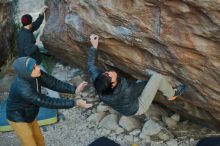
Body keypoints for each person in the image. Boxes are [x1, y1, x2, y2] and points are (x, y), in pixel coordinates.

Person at [87, 34, 185, 116]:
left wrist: (94, 46)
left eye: (106, 73)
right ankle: (172, 94)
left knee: (141, 81)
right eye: (109, 76)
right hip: (137, 107)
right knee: (157, 78)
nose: (109, 72)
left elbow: (91, 64)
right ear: (112, 85)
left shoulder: (99, 81)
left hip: (124, 103)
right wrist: (152, 81)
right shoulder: (125, 90)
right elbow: (143, 85)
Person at [6, 57, 92, 146]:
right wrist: (74, 103)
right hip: (17, 116)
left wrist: (74, 90)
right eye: (34, 68)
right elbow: (46, 101)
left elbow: (53, 83)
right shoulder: (24, 89)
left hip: (29, 114)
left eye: (36, 65)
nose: (38, 68)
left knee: (39, 140)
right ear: (26, 73)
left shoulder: (35, 74)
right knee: (30, 142)